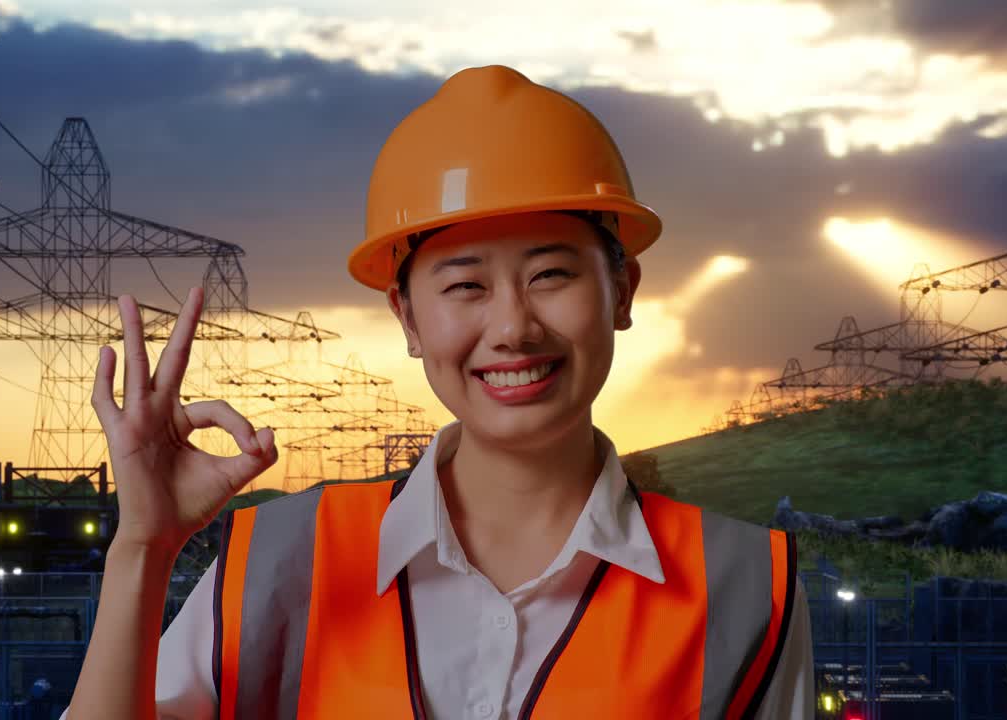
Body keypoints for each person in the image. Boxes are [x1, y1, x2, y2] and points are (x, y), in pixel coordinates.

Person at [61, 64, 814, 720]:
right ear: (408, 317)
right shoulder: (278, 564)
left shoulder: (747, 588)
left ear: (622, 290)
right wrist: (143, 549)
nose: (513, 327)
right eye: (466, 285)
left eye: (551, 274)